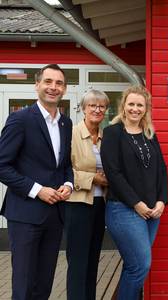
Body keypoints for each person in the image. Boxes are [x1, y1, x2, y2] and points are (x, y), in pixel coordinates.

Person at [0, 64, 73, 300]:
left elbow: (64, 165)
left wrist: (68, 184)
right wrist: (37, 190)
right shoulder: (20, 119)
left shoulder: (66, 123)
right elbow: (2, 166)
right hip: (25, 215)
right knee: (23, 284)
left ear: (65, 88)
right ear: (37, 85)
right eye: (48, 81)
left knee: (44, 283)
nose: (53, 87)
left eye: (59, 83)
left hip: (54, 215)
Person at [100, 85, 168, 300]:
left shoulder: (150, 134)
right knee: (141, 265)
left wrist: (161, 201)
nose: (135, 109)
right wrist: (136, 203)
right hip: (124, 209)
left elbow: (162, 170)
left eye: (140, 105)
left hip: (151, 212)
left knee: (134, 266)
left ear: (146, 108)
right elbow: (114, 174)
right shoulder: (112, 133)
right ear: (123, 106)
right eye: (131, 104)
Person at [65, 89, 110, 300]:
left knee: (93, 260)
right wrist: (93, 178)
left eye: (101, 106)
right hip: (78, 204)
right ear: (83, 108)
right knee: (78, 261)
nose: (97, 110)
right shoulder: (71, 134)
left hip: (101, 204)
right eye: (92, 105)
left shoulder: (106, 137)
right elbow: (63, 170)